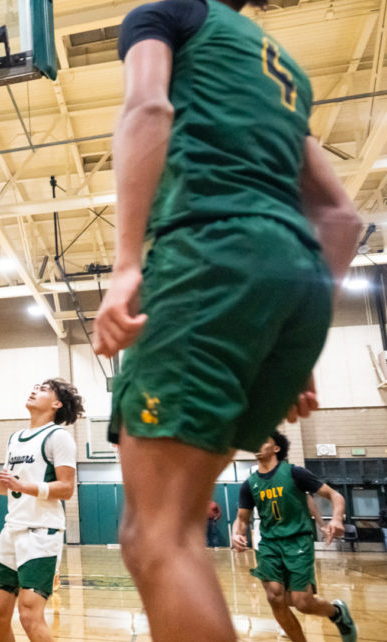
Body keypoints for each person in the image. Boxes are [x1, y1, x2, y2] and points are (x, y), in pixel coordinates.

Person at [91, 0, 363, 640]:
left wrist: (127, 261)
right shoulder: (282, 67)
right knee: (173, 525)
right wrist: (287, 346)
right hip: (295, 281)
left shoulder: (164, 16)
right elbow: (341, 220)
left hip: (209, 261)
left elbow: (149, 110)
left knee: (155, 534)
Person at [0, 379, 82, 642]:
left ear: (57, 404)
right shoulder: (15, 439)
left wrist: (21, 485)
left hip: (41, 534)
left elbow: (66, 488)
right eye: (35, 387)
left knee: (29, 615)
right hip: (11, 532)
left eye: (44, 389)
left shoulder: (58, 437)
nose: (35, 390)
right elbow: (8, 487)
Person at [231, 433, 356, 641]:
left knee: (302, 603)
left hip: (297, 541)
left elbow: (335, 495)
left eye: (264, 439)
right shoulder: (249, 484)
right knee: (274, 597)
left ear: (276, 448)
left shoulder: (295, 473)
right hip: (269, 544)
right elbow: (241, 519)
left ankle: (337, 612)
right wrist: (237, 533)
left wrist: (335, 519)